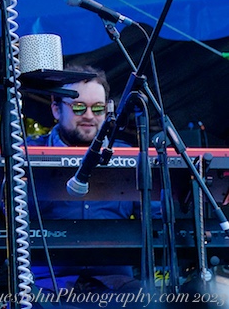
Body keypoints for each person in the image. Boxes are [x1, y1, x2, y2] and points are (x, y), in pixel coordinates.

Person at [27, 64, 158, 297]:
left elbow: (157, 218)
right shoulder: (27, 154)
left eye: (98, 108)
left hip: (119, 286)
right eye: (78, 107)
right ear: (56, 109)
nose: (89, 116)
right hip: (45, 286)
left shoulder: (128, 155)